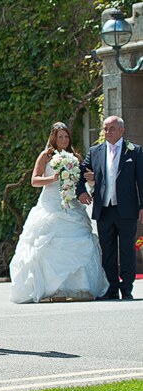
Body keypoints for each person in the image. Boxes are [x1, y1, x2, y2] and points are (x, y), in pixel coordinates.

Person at [9, 122, 109, 303]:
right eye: (60, 136)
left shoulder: (76, 157)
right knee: (48, 242)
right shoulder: (45, 156)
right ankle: (52, 288)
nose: (64, 139)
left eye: (66, 136)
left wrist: (86, 188)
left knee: (78, 240)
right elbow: (34, 180)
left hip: (71, 204)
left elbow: (81, 183)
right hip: (50, 202)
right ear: (54, 138)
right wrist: (53, 178)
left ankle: (78, 286)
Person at [77, 116, 143, 300]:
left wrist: (142, 206)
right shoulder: (95, 151)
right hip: (104, 209)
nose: (108, 132)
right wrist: (81, 191)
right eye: (105, 129)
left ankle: (127, 287)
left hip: (127, 209)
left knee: (127, 249)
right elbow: (80, 173)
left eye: (112, 128)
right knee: (108, 249)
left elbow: (141, 181)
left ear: (122, 130)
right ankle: (112, 287)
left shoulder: (134, 151)